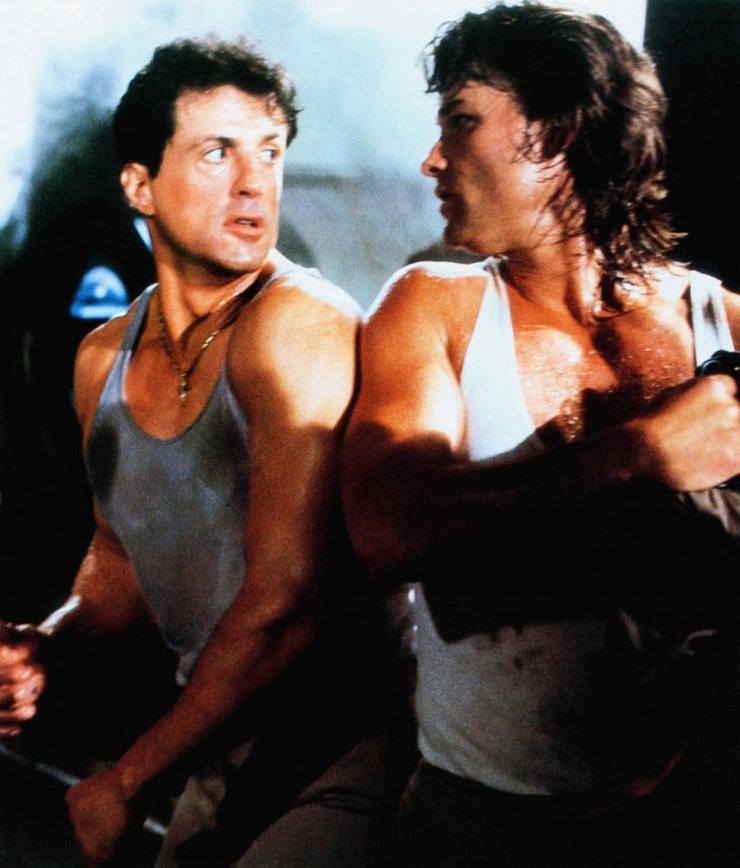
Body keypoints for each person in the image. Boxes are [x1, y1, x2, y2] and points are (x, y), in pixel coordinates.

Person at [340, 4, 740, 867]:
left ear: (557, 135)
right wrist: (634, 456)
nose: (433, 158)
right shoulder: (435, 307)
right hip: (479, 827)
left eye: (460, 121)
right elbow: (386, 529)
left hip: (686, 822)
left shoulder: (724, 325)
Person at [0, 36, 403, 867]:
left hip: (343, 746)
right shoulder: (103, 359)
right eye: (218, 152)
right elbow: (121, 565)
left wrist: (126, 782)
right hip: (219, 743)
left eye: (270, 152)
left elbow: (287, 604)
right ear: (139, 185)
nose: (254, 182)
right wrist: (48, 641)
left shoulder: (298, 325)